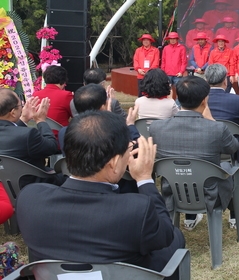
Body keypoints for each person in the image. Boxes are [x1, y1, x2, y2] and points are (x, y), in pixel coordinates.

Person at [17, 110, 186, 275]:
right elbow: (165, 236)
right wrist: (144, 178)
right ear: (114, 162)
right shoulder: (137, 209)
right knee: (176, 236)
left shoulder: (29, 198)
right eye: (127, 152)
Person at [150, 76, 239, 230]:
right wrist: (212, 120)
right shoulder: (216, 128)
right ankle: (234, 215)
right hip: (210, 195)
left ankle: (189, 219)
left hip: (172, 192)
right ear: (205, 100)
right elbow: (233, 147)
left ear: (177, 97)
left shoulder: (156, 128)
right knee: (227, 166)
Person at [205, 64, 239, 186]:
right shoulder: (236, 100)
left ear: (206, 81)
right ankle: (238, 171)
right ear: (225, 81)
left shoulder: (200, 99)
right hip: (231, 147)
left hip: (205, 143)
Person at [60, 84, 140, 150]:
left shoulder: (64, 132)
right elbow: (137, 150)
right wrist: (130, 125)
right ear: (102, 107)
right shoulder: (114, 131)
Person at [0, 89, 60, 170]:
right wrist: (40, 120)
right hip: (31, 180)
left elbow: (10, 133)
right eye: (21, 105)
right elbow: (51, 147)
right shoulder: (28, 135)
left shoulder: (21, 134)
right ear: (13, 112)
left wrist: (23, 119)